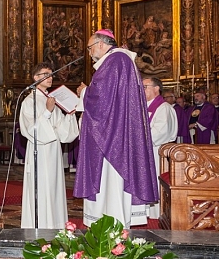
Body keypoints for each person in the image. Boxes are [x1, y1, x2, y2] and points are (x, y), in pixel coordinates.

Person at [74, 29, 158, 229]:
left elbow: (102, 99)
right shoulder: (119, 61)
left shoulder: (115, 61)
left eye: (90, 47)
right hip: (116, 131)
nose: (89, 52)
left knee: (111, 184)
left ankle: (113, 225)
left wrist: (84, 91)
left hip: (113, 139)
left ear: (101, 44)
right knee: (110, 185)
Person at [19, 62, 79, 229]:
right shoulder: (29, 101)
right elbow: (30, 130)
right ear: (35, 78)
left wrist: (69, 115)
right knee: (42, 188)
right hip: (39, 151)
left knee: (54, 189)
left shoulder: (52, 100)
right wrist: (47, 111)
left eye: (51, 74)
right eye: (46, 74)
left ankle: (55, 226)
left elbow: (63, 133)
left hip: (53, 151)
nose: (50, 78)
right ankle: (40, 227)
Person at [142, 77, 177, 220]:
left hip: (157, 153)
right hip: (145, 151)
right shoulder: (143, 107)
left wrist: (136, 139)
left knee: (155, 181)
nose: (141, 90)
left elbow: (159, 132)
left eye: (145, 87)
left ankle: (156, 213)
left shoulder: (164, 108)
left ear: (156, 89)